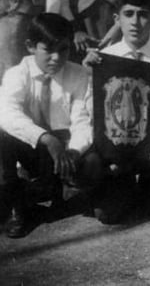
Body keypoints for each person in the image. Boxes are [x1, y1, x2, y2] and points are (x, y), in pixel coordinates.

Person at [0, 13, 102, 237]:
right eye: (48, 50)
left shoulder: (78, 74)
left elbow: (82, 119)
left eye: (63, 50)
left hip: (64, 151)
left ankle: (64, 193)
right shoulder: (17, 74)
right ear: (30, 47)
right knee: (3, 136)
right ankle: (19, 208)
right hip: (33, 149)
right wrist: (45, 138)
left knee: (92, 161)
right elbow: (7, 114)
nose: (56, 58)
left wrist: (75, 150)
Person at [82, 0, 150, 220]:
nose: (136, 22)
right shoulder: (103, 59)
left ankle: (149, 182)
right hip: (118, 152)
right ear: (117, 19)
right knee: (107, 215)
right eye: (129, 14)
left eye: (143, 15)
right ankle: (124, 185)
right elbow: (91, 112)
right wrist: (89, 73)